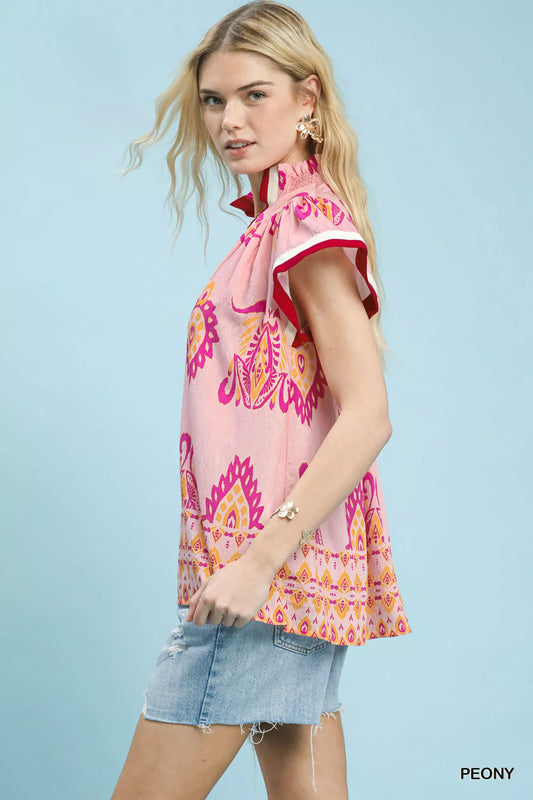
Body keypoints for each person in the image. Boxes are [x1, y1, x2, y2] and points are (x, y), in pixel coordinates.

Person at [111, 2, 412, 798]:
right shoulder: (276, 223)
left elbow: (368, 413)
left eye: (254, 95)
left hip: (264, 581)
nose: (229, 121)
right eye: (214, 101)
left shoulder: (304, 226)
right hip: (281, 581)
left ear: (306, 99)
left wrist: (256, 562)